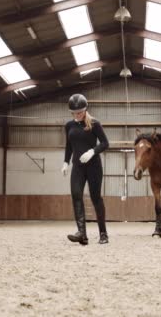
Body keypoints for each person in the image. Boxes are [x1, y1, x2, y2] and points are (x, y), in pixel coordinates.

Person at [62, 93, 109, 245]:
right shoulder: (69, 126)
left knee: (96, 198)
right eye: (74, 113)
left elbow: (105, 143)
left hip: (94, 166)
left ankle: (103, 233)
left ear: (85, 109)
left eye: (80, 113)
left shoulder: (94, 123)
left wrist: (92, 151)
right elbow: (69, 146)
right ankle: (82, 234)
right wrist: (65, 162)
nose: (77, 115)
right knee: (76, 195)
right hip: (78, 167)